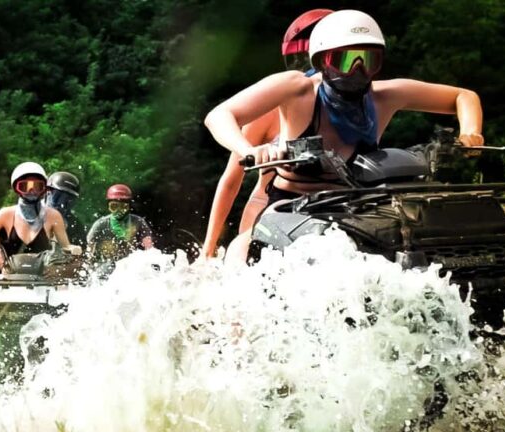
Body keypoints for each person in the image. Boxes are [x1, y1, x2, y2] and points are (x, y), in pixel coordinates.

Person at [203, 10, 484, 261]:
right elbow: (219, 116)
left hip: (356, 211)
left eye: (368, 60)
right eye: (346, 59)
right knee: (242, 251)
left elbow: (464, 96)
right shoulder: (296, 89)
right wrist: (249, 150)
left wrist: (470, 133)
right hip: (288, 208)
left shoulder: (385, 96)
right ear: (323, 61)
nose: (357, 71)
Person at [203, 9, 333, 258]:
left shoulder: (357, 112)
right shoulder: (271, 109)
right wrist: (207, 249)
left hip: (328, 211)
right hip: (268, 213)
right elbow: (231, 180)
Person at [0, 162, 80, 271]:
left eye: (37, 186)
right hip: (5, 280)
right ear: (16, 188)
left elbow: (66, 246)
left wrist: (73, 249)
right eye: (25, 186)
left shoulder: (53, 216)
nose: (31, 191)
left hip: (40, 280)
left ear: (44, 189)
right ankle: (5, 270)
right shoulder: (5, 214)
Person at [86, 184, 154, 266]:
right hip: (105, 266)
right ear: (108, 206)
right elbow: (90, 250)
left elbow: (148, 246)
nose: (119, 211)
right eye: (114, 206)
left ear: (129, 206)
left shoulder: (138, 222)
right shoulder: (100, 224)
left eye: (123, 206)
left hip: (130, 265)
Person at [46, 171, 86, 247]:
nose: (62, 204)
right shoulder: (32, 217)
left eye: (68, 200)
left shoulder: (75, 226)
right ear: (47, 192)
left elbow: (82, 255)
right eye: (58, 196)